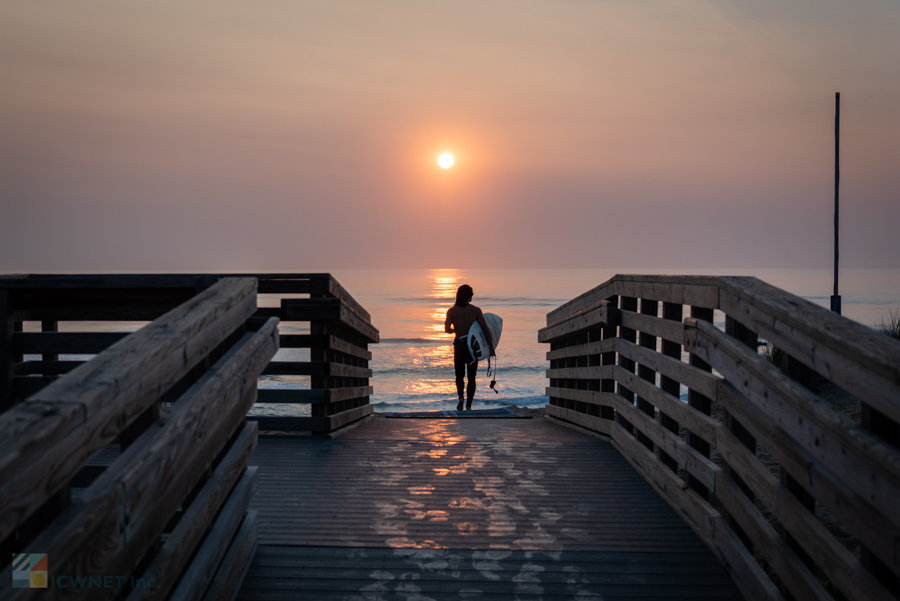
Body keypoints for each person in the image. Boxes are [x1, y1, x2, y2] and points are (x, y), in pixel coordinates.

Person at [445, 284, 495, 411]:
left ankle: (461, 397)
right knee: (472, 376)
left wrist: (455, 330)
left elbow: (447, 330)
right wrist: (491, 347)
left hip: (459, 346)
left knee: (459, 375)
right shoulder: (476, 310)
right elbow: (485, 329)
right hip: (472, 348)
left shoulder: (451, 311)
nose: (472, 296)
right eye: (471, 294)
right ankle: (468, 406)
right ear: (468, 296)